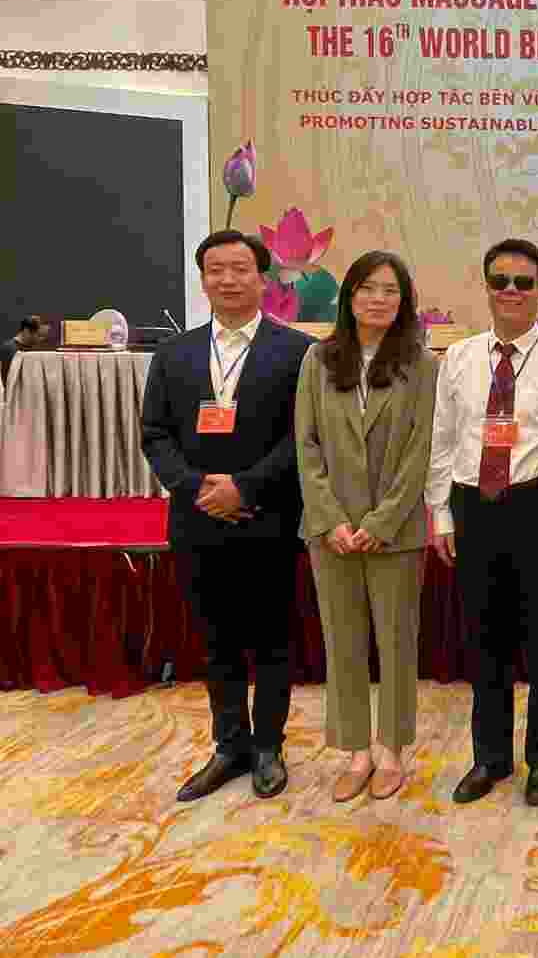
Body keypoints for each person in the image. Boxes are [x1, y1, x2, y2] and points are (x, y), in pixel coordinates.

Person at [141, 230, 315, 802]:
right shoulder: (174, 353)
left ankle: (268, 747)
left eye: (240, 268)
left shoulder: (297, 351)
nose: (228, 279)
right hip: (197, 519)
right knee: (215, 639)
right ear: (203, 280)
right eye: (216, 269)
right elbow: (155, 434)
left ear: (262, 279)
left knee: (271, 639)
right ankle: (229, 746)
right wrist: (199, 488)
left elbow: (303, 436)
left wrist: (245, 487)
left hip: (268, 516)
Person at [426, 238, 538, 806]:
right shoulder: (459, 359)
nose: (511, 291)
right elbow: (443, 439)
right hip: (474, 507)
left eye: (523, 282)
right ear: (487, 288)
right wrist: (441, 512)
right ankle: (489, 757)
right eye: (500, 281)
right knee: (483, 639)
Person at [295, 251, 437, 802]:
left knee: (397, 643)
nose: (378, 299)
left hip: (394, 532)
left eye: (390, 291)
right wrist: (331, 518)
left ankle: (392, 751)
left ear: (404, 303)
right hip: (330, 532)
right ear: (349, 296)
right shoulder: (318, 360)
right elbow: (306, 446)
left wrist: (382, 520)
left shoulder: (420, 364)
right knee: (343, 643)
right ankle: (356, 751)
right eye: (367, 288)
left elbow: (420, 450)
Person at [0, 315, 50, 386]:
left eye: (44, 336)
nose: (42, 339)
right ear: (26, 331)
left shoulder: (35, 350)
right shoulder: (9, 349)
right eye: (40, 335)